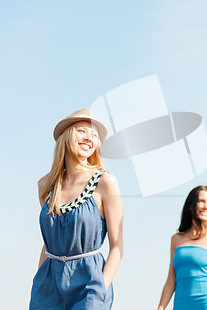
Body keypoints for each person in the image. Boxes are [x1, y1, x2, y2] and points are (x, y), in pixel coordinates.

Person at [29, 109, 123, 310]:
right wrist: (38, 282)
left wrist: (100, 290)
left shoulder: (105, 182)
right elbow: (50, 242)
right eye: (82, 131)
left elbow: (117, 247)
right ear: (67, 136)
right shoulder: (45, 186)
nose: (89, 138)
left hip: (89, 285)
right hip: (47, 287)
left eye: (94, 135)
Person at [158, 186, 207, 310]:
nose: (206, 206)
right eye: (201, 201)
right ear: (191, 205)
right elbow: (171, 280)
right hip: (181, 304)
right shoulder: (176, 239)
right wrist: (160, 307)